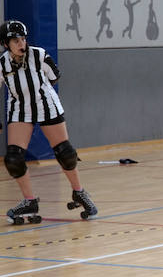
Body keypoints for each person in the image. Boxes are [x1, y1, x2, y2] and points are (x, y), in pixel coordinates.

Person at [0, 20, 98, 223]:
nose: (21, 44)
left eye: (23, 39)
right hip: (20, 109)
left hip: (46, 104)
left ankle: (79, 192)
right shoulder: (2, 64)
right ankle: (29, 201)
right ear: (5, 43)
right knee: (13, 159)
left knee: (65, 152)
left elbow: (55, 76)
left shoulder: (39, 55)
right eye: (16, 40)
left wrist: (37, 90)